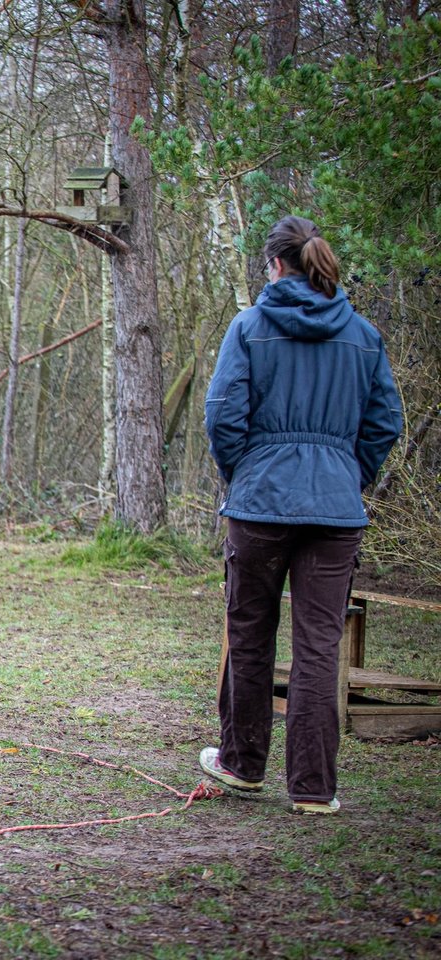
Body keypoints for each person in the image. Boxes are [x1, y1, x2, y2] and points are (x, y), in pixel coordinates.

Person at [200, 215, 403, 815]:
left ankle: (242, 764)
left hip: (260, 504)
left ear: (275, 265)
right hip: (335, 512)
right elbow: (385, 422)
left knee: (249, 632)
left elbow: (222, 414)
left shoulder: (249, 327)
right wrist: (346, 476)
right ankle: (313, 789)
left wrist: (245, 472)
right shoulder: (363, 334)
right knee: (319, 645)